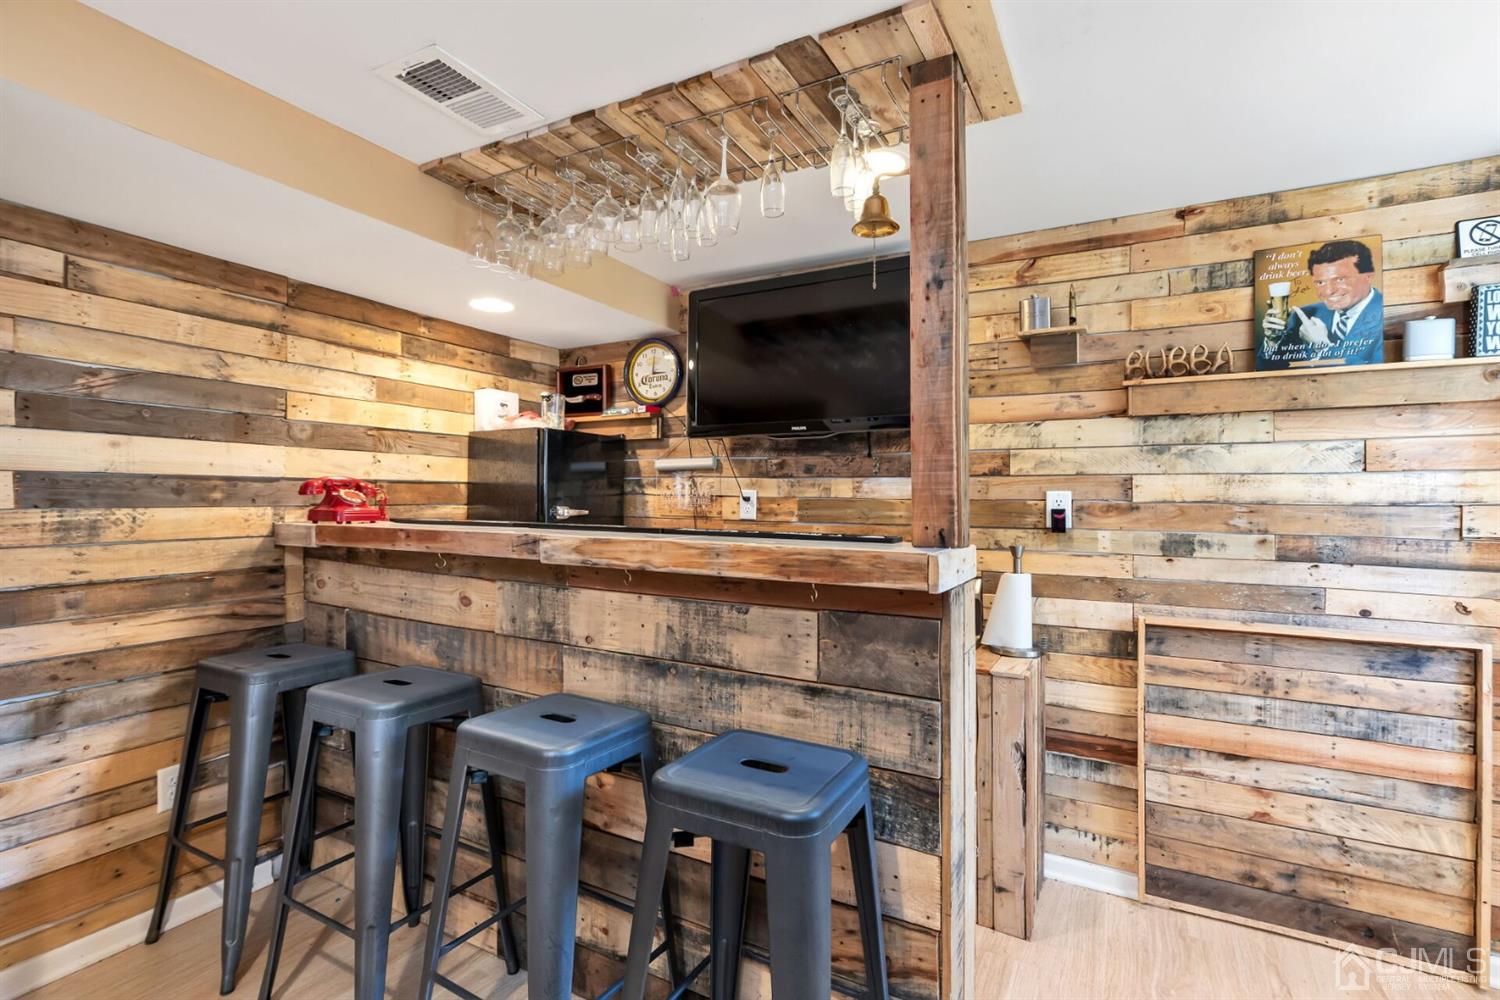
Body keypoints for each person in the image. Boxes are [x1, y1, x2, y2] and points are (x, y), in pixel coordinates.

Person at [1261, 239, 1383, 367]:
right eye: (1320, 283)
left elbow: (1372, 376)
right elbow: (1269, 372)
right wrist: (1272, 341)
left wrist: (1323, 348)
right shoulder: (1303, 316)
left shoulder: (1385, 317)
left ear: (1368, 276)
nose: (1329, 291)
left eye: (1340, 279)